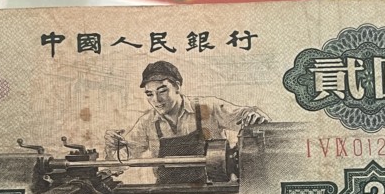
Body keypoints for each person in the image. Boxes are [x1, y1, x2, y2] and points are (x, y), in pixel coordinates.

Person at [104, 61, 270, 186]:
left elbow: (246, 116)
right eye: (149, 94)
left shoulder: (207, 108)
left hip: (213, 191)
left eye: (162, 91)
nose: (156, 100)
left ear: (177, 87)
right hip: (167, 193)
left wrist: (255, 117)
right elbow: (121, 162)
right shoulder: (147, 122)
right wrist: (113, 147)